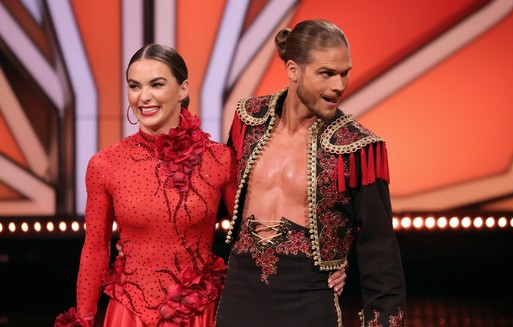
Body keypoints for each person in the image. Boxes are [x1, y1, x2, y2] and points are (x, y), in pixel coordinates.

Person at [55, 43, 346, 327]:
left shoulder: (219, 159)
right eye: (134, 86)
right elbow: (95, 249)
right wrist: (84, 319)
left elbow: (255, 233)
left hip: (198, 312)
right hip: (128, 313)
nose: (143, 97)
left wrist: (328, 263)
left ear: (183, 89)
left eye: (156, 84)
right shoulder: (105, 164)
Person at [215, 19, 406, 326]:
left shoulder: (358, 147)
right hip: (240, 298)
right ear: (293, 70)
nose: (339, 85)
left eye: (345, 73)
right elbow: (215, 200)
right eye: (327, 73)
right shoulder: (247, 120)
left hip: (309, 302)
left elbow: (381, 253)